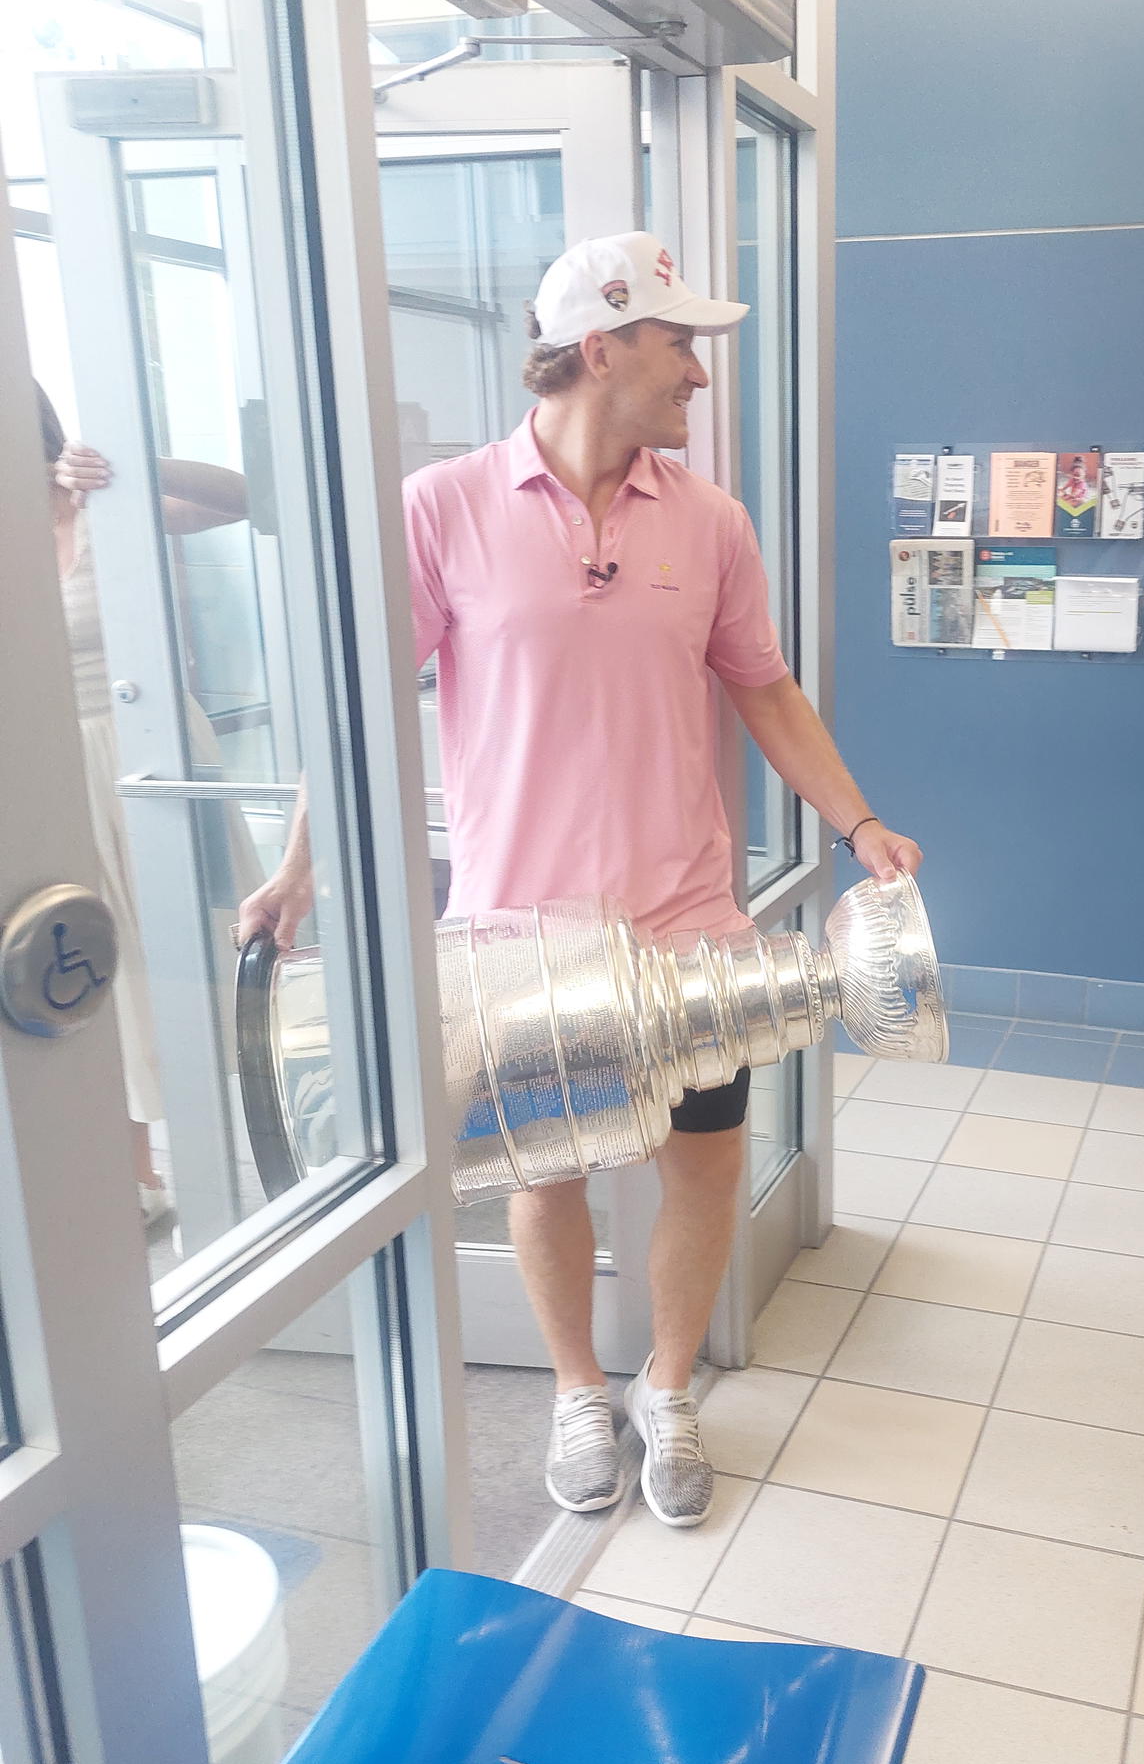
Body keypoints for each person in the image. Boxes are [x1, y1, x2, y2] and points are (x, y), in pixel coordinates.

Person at [238, 232, 922, 1527]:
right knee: (544, 1174)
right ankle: (573, 1391)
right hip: (521, 931)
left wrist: (859, 823)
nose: (699, 374)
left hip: (688, 922)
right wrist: (297, 869)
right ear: (600, 348)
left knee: (703, 1165)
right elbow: (366, 704)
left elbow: (765, 690)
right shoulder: (442, 506)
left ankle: (667, 1389)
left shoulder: (711, 521)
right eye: (681, 345)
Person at [37, 385, 259, 1239]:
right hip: (56, 765)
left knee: (186, 956)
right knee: (93, 964)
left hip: (155, 755)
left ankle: (217, 1161)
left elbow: (241, 497)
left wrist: (130, 461)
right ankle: (134, 1173)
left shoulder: (105, 501)